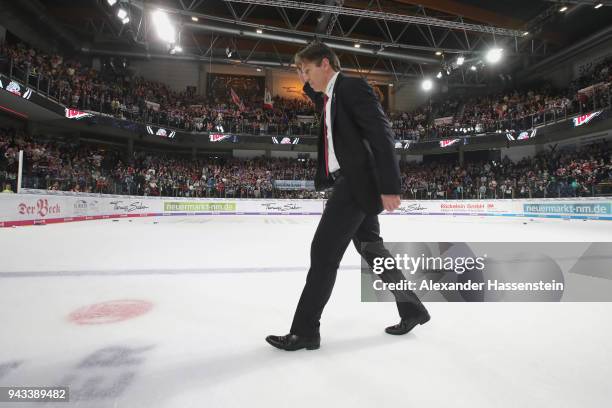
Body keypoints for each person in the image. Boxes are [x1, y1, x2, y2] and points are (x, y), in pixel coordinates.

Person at [266, 41, 429, 351]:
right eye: (300, 71)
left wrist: (391, 186)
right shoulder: (328, 97)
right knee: (373, 250)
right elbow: (315, 91)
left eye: (307, 69)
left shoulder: (353, 87)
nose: (304, 76)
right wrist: (303, 70)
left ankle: (305, 332)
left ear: (325, 64)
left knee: (323, 253)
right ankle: (413, 308)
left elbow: (382, 134)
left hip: (355, 184)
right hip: (354, 184)